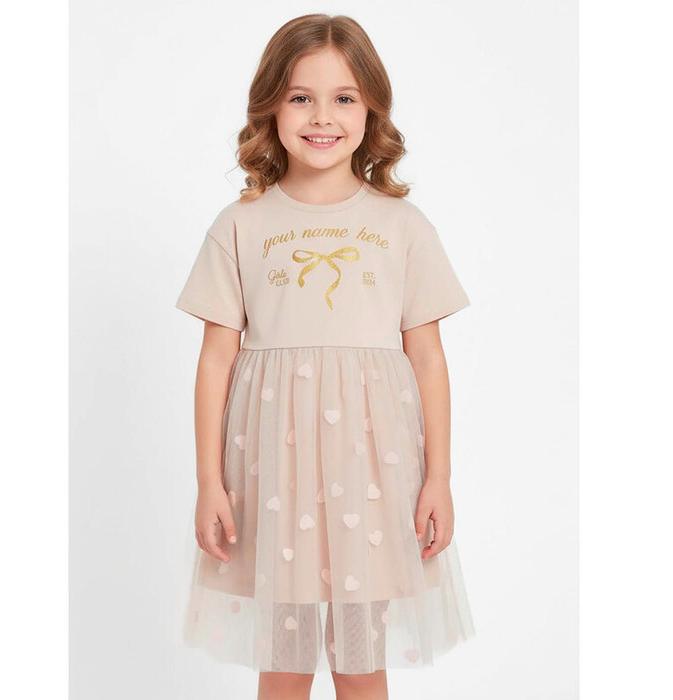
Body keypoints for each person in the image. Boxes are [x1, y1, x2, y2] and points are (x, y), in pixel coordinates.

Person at [175, 13, 476, 699]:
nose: (322, 116)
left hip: (373, 475)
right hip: (272, 476)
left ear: (370, 109)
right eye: (300, 97)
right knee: (282, 665)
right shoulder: (241, 225)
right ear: (271, 106)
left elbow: (428, 359)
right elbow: (216, 360)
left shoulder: (402, 225)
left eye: (343, 97)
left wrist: (438, 478)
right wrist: (208, 481)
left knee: (361, 663)